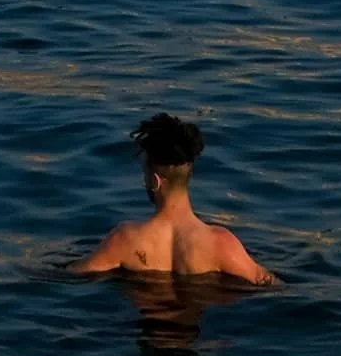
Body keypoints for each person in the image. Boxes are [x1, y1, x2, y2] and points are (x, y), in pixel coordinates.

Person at [78, 112, 274, 283]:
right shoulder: (220, 244)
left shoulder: (125, 240)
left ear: (155, 181)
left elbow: (74, 274)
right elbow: (266, 282)